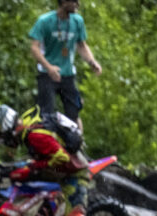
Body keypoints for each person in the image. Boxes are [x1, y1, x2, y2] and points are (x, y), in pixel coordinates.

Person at [28, 0, 101, 129]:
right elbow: (34, 48)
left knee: (74, 113)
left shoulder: (77, 21)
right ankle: (47, 145)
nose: (77, 5)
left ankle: (77, 145)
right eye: (73, 1)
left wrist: (92, 61)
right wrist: (49, 67)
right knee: (46, 115)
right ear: (63, 2)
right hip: (47, 74)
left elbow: (82, 45)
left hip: (68, 74)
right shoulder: (45, 21)